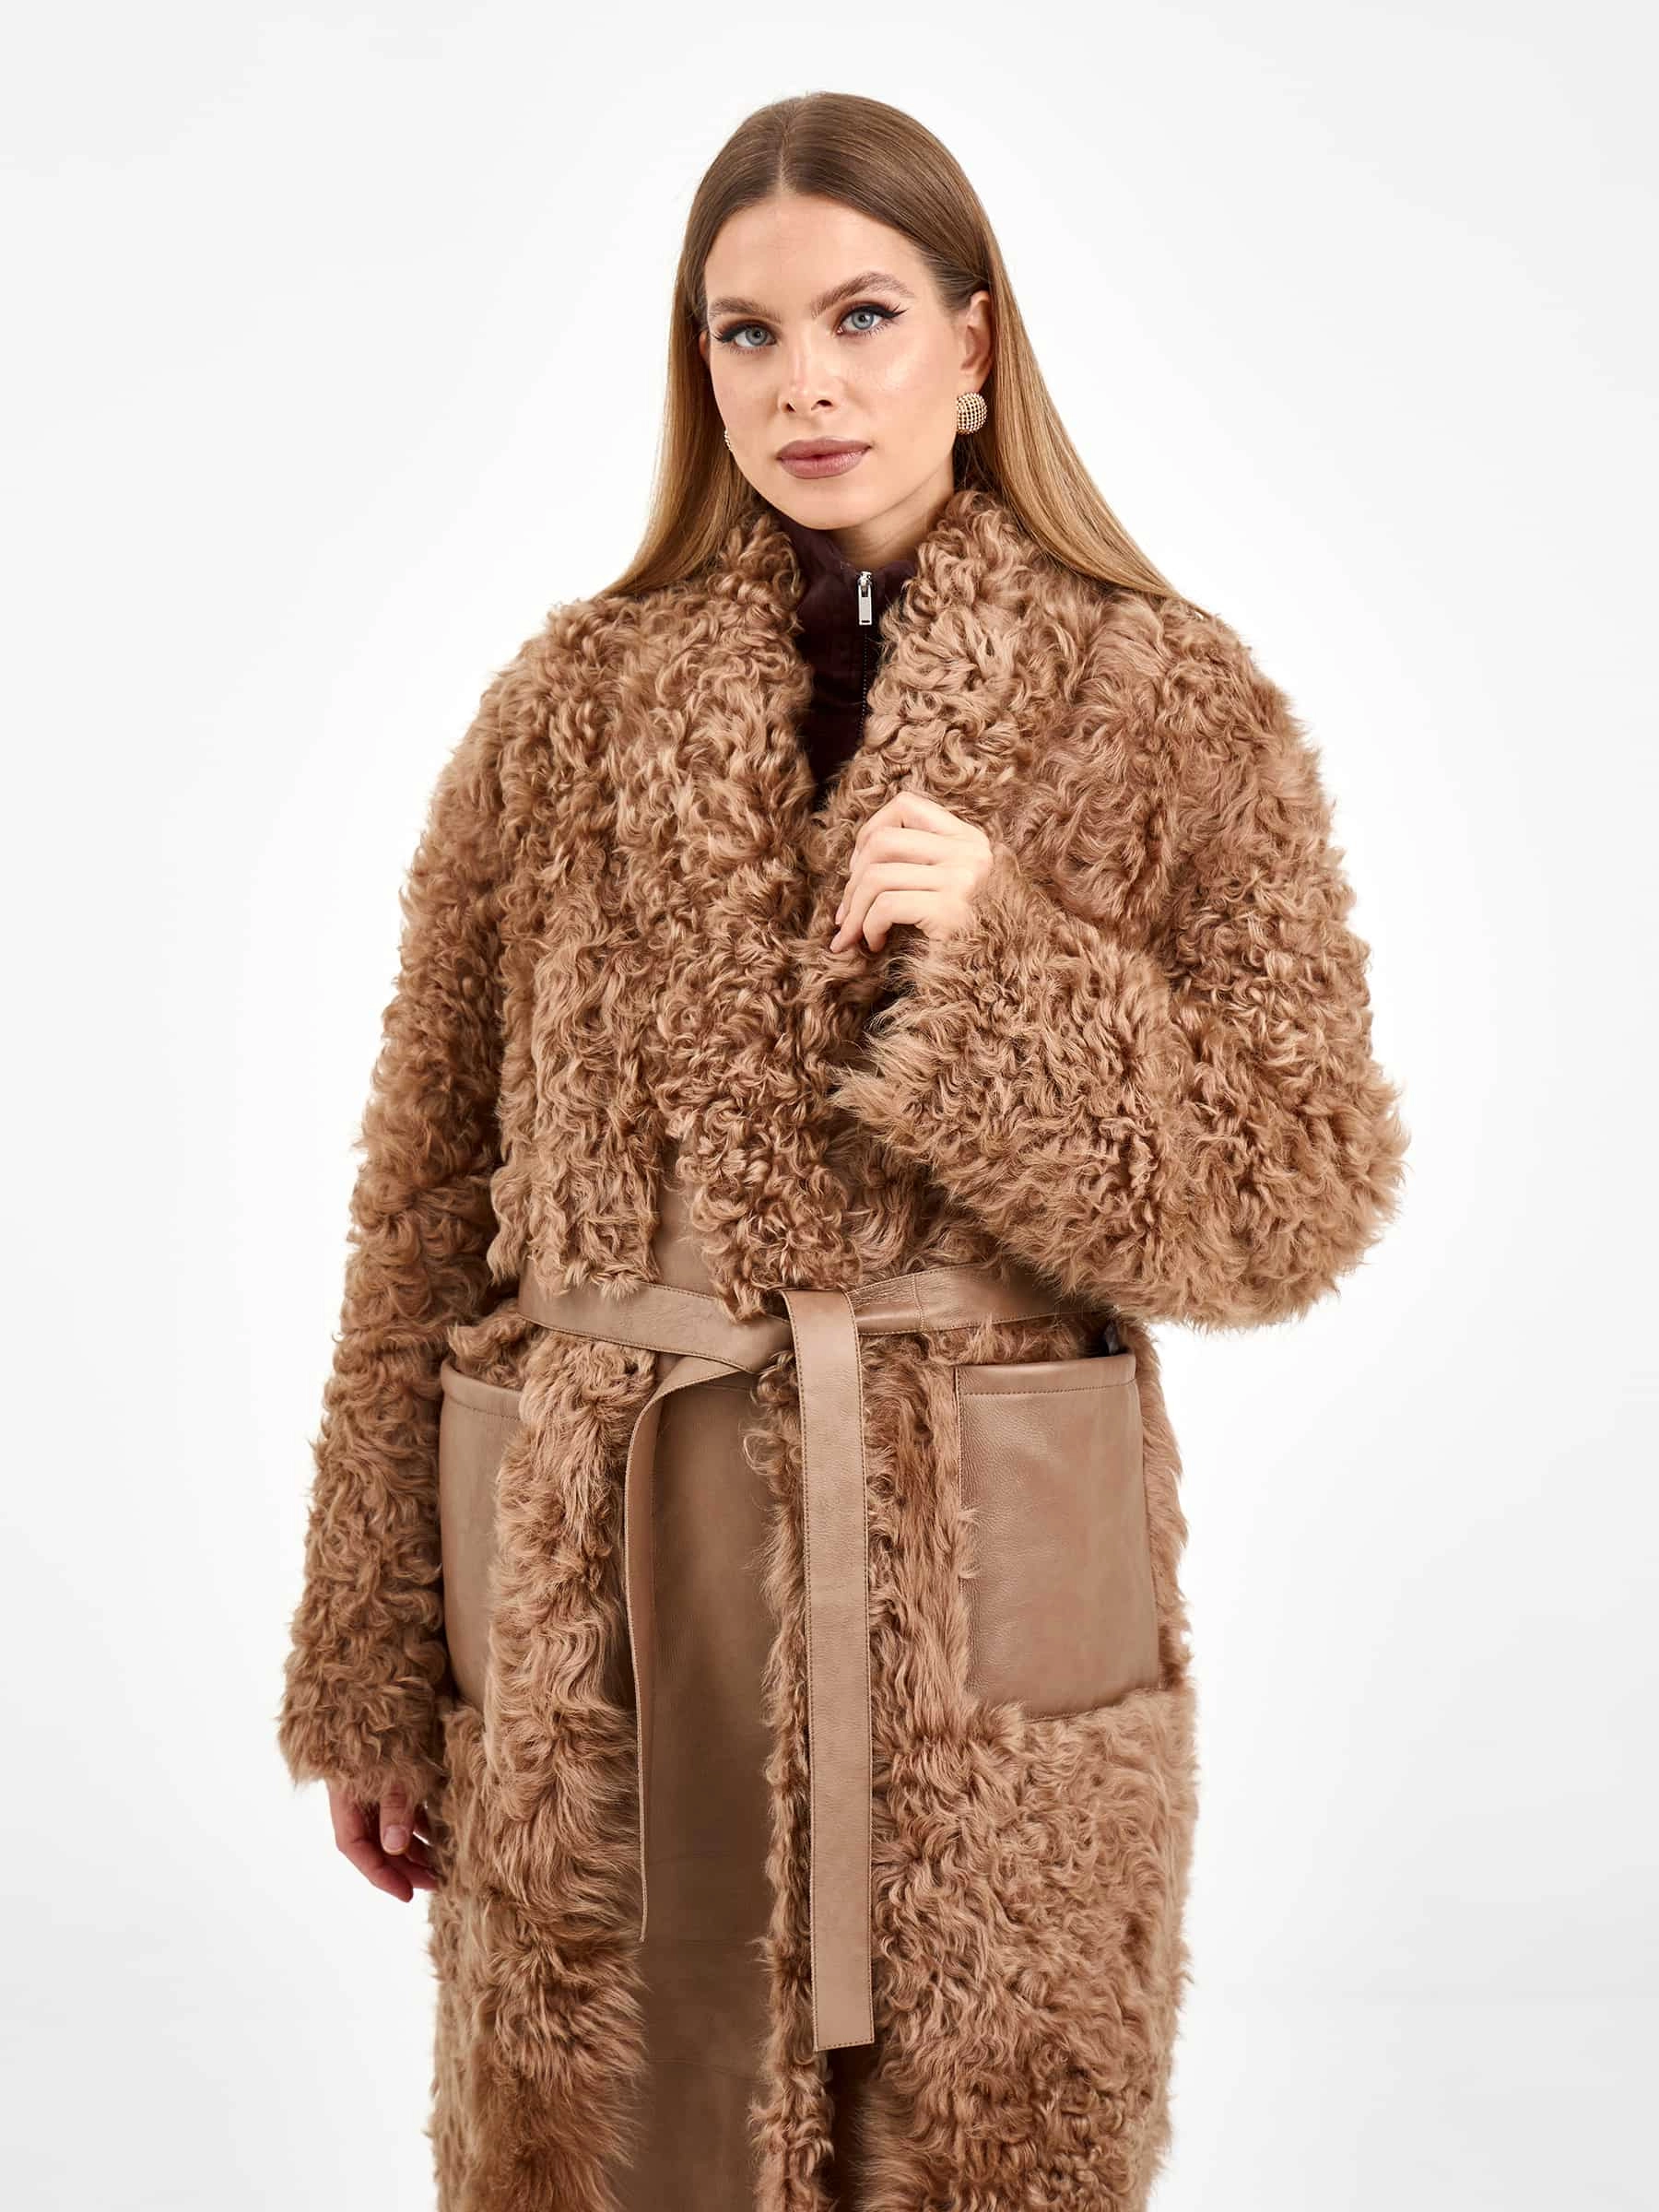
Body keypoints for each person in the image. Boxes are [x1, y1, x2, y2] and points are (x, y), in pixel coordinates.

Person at [276, 88, 1410, 2212]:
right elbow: (422, 1203)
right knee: (618, 2133)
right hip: (607, 1584)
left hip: (988, 1591)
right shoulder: (562, 713)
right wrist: (371, 1660)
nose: (806, 382)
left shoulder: (1166, 703)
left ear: (975, 343)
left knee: (981, 2139)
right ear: (699, 368)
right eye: (750, 331)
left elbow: (1300, 1189)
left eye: (863, 316)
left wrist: (1009, 970)